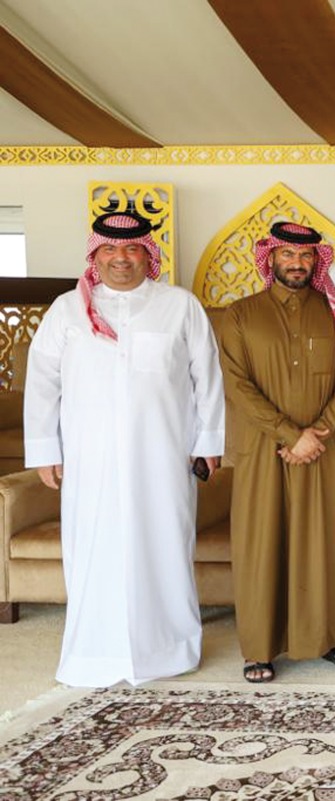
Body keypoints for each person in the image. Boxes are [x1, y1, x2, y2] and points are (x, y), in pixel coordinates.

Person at [24, 211, 224, 687]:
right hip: (90, 462)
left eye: (132, 248)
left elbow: (207, 379)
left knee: (166, 546)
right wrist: (44, 449)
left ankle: (169, 650)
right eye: (110, 250)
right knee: (94, 548)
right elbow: (42, 382)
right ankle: (94, 654)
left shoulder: (179, 306)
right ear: (95, 254)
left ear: (148, 254)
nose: (121, 258)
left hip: (164, 458)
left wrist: (208, 442)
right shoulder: (66, 310)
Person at [218, 221, 335, 683]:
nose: (297, 264)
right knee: (263, 541)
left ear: (316, 262)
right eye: (287, 255)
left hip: (324, 448)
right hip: (265, 449)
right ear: (270, 259)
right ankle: (259, 649)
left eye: (305, 257)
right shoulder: (240, 314)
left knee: (331, 542)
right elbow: (236, 384)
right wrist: (288, 433)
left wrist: (316, 432)